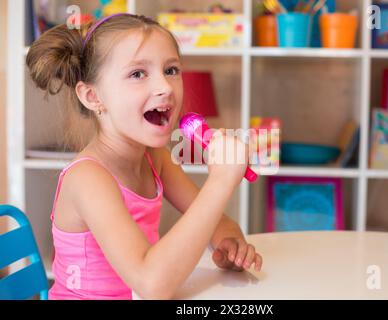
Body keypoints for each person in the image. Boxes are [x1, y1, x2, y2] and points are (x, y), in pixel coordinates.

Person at [26, 13, 262, 300]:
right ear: (92, 97)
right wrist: (220, 181)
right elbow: (152, 284)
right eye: (138, 74)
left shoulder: (155, 158)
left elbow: (219, 223)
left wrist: (228, 242)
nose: (164, 86)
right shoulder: (88, 178)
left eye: (171, 70)